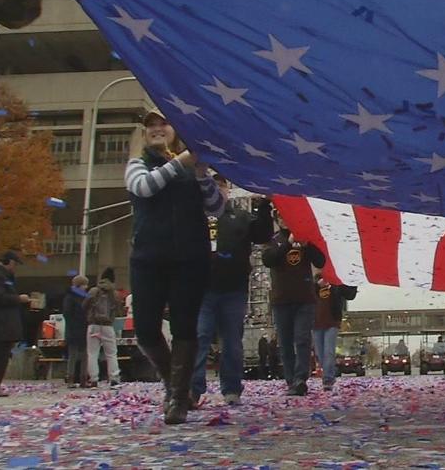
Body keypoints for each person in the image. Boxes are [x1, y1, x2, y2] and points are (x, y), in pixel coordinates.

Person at [125, 108, 225, 424]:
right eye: (150, 125)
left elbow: (217, 208)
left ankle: (178, 400)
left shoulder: (191, 168)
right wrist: (179, 162)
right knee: (145, 329)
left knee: (184, 326)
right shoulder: (137, 165)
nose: (157, 129)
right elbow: (144, 188)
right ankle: (173, 384)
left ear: (175, 129)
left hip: (189, 259)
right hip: (148, 259)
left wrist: (200, 173)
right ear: (143, 134)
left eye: (163, 123)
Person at [190, 176, 273, 407]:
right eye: (212, 185)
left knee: (232, 342)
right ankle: (193, 388)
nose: (217, 190)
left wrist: (264, 205)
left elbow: (263, 235)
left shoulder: (240, 216)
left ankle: (232, 388)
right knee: (200, 336)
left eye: (221, 186)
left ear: (228, 190)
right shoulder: (194, 215)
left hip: (233, 290)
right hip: (202, 289)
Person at [262, 213, 325, 396]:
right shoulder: (274, 239)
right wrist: (288, 244)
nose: (284, 220)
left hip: (304, 298)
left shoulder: (304, 237)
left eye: (287, 216)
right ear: (277, 220)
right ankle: (290, 379)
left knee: (302, 339)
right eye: (281, 217)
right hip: (281, 299)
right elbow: (269, 259)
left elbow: (321, 261)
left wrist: (308, 246)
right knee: (286, 342)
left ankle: (300, 379)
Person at [312, 274, 357, 391]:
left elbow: (350, 294)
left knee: (329, 351)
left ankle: (327, 378)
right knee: (320, 353)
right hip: (316, 323)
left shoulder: (337, 281)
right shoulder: (314, 282)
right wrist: (317, 285)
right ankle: (329, 375)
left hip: (332, 321)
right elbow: (306, 294)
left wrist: (353, 278)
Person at [0, 251, 30, 397]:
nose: (16, 268)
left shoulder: (6, 277)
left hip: (4, 324)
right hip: (0, 323)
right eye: (15, 264)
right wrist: (18, 299)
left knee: (2, 355)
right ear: (8, 262)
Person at [83, 268, 124, 387]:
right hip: (107, 326)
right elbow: (119, 311)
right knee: (111, 353)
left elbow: (84, 305)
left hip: (93, 325)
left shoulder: (93, 291)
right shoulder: (115, 294)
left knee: (92, 353)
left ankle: (94, 379)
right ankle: (114, 378)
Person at [62, 274, 89, 388]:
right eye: (84, 284)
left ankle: (83, 378)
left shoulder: (75, 297)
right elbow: (67, 314)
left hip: (81, 329)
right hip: (74, 329)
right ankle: (71, 379)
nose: (86, 287)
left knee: (84, 355)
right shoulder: (71, 297)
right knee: (73, 355)